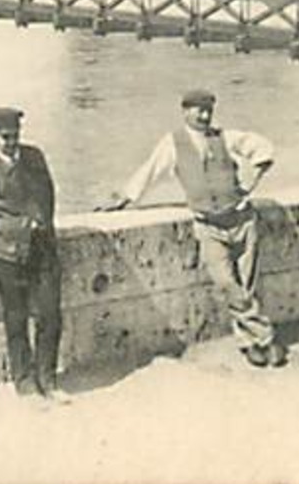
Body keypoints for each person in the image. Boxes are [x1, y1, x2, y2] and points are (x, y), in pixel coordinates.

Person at [100, 89, 287, 368]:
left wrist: (251, 181)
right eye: (198, 110)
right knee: (227, 284)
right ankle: (267, 337)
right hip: (208, 225)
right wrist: (124, 198)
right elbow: (150, 172)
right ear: (184, 111)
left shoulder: (225, 137)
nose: (203, 115)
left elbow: (263, 149)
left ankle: (249, 344)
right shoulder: (173, 144)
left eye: (208, 110)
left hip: (242, 220)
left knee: (247, 284)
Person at [0, 106, 72, 403]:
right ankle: (25, 383)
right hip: (10, 258)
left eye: (15, 136)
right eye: (5, 137)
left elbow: (48, 193)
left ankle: (48, 378)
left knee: (50, 316)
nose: (11, 142)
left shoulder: (35, 158)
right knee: (17, 321)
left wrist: (44, 226)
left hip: (43, 252)